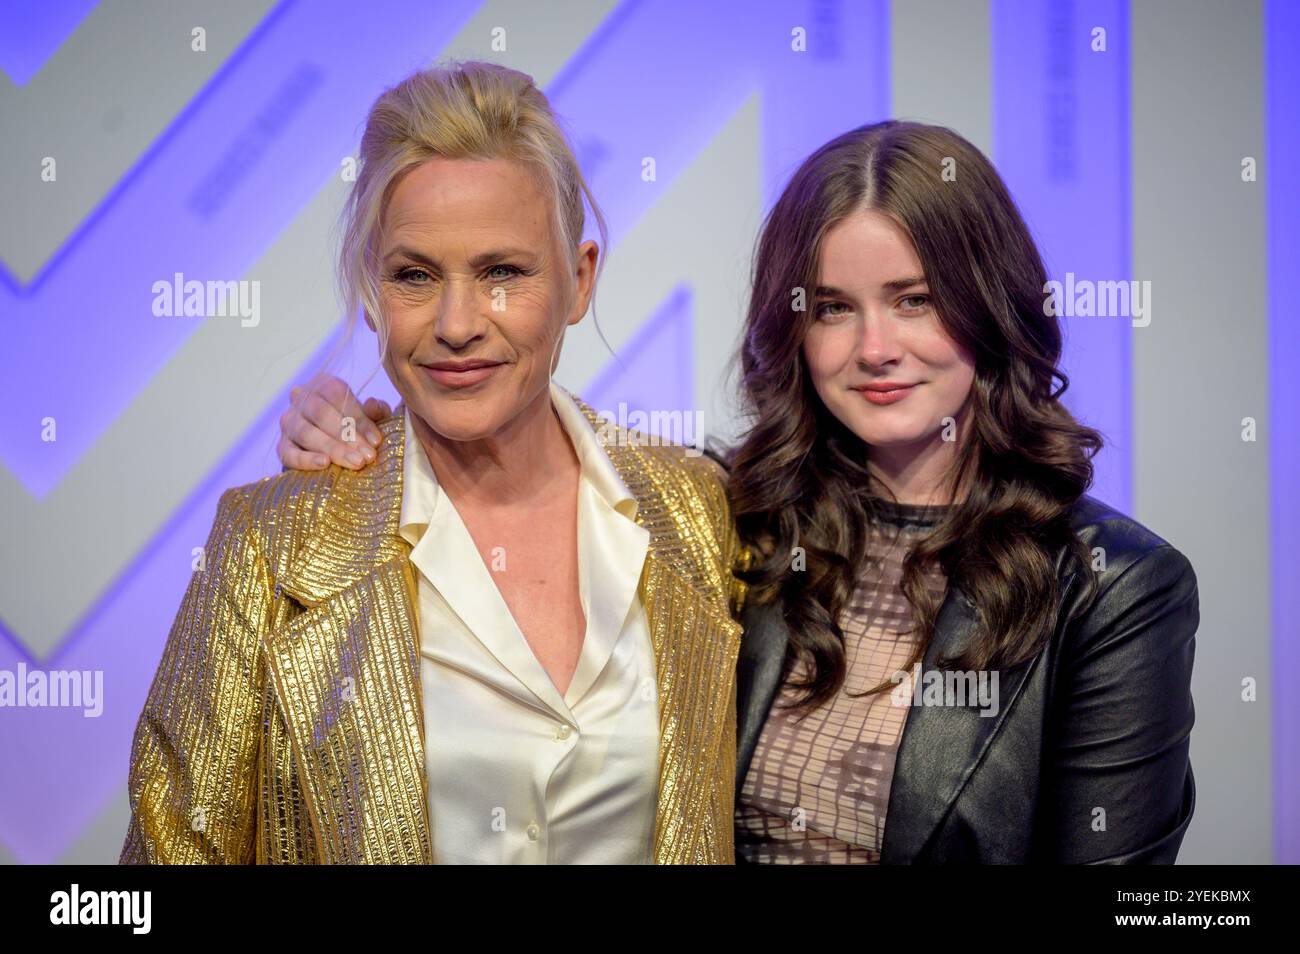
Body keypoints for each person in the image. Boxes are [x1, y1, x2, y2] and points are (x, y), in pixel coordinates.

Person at [277, 120, 1198, 864]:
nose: (874, 347)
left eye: (914, 299)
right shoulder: (726, 523)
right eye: (833, 307)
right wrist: (363, 427)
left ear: (991, 307)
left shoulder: (1112, 587)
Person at [120, 61, 744, 865]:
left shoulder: (698, 511)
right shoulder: (269, 546)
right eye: (415, 275)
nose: (456, 324)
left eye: (501, 274)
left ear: (579, 280)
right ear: (374, 290)